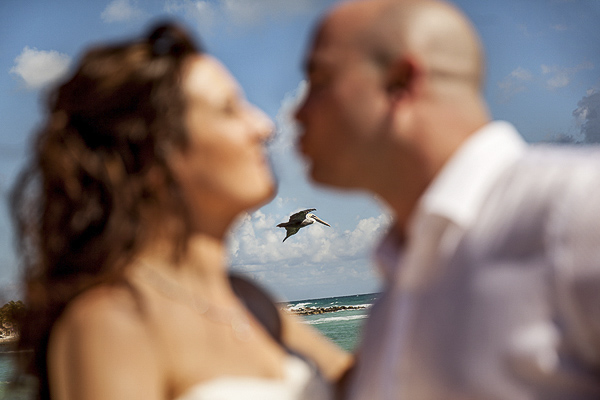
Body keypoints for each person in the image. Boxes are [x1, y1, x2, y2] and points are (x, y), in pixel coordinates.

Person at [11, 22, 351, 400]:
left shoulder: (248, 300)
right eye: (229, 109)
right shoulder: (115, 323)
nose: (263, 125)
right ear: (157, 159)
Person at [295, 0, 600, 398]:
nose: (295, 114)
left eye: (318, 81)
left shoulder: (577, 209)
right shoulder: (394, 303)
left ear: (400, 82)